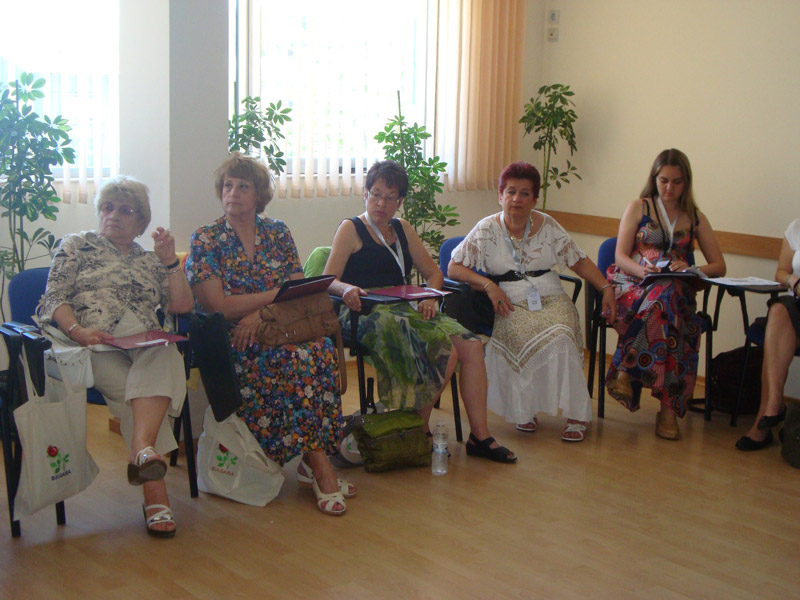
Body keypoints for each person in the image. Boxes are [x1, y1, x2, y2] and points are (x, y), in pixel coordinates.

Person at [185, 153, 355, 516]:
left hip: (276, 327)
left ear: (259, 194)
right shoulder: (206, 239)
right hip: (230, 339)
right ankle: (320, 467)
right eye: (228, 186)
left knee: (321, 350)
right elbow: (217, 306)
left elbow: (299, 292)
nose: (233, 193)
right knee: (292, 360)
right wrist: (272, 298)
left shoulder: (278, 232)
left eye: (243, 186)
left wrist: (262, 311)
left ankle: (312, 459)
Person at [323, 160, 516, 463]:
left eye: (389, 198)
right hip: (362, 310)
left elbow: (434, 273)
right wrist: (346, 289)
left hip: (403, 308)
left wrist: (431, 297)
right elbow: (328, 280)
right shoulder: (351, 228)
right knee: (444, 349)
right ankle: (418, 430)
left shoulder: (403, 229)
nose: (381, 204)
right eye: (375, 195)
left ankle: (479, 436)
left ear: (399, 202)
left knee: (471, 345)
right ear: (365, 194)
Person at [40, 176, 194, 538]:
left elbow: (183, 305)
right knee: (135, 392)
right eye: (108, 208)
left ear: (141, 223)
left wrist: (170, 263)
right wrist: (77, 330)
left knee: (167, 354)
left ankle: (141, 450)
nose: (114, 215)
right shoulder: (75, 246)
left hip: (144, 342)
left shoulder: (150, 261)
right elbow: (54, 298)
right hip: (94, 343)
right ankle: (155, 492)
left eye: (126, 210)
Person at [448, 162, 615, 442]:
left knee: (562, 335)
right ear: (500, 196)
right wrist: (489, 286)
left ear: (534, 199)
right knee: (521, 333)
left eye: (525, 193)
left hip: (551, 295)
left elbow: (578, 260)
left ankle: (576, 415)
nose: (517, 199)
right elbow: (454, 268)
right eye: (511, 191)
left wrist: (606, 287)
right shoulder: (486, 229)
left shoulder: (548, 225)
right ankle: (525, 409)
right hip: (508, 299)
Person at [605, 149, 726, 439]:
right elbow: (620, 256)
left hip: (673, 293)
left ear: (687, 183)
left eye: (677, 182)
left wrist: (693, 269)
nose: (669, 188)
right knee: (672, 314)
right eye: (664, 180)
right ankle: (668, 413)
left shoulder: (695, 217)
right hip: (633, 285)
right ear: (654, 178)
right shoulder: (639, 207)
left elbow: (719, 266)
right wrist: (641, 270)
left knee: (668, 300)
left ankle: (626, 370)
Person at [736, 219, 800, 451]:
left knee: (778, 324)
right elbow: (781, 272)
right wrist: (795, 282)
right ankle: (773, 403)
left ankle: (765, 420)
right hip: (797, 306)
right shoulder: (797, 227)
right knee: (779, 309)